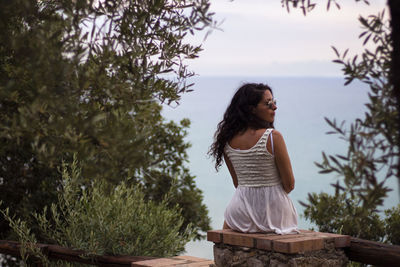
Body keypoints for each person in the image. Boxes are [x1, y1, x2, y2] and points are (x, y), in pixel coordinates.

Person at [209, 83, 299, 234]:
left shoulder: (226, 139)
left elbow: (238, 183)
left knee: (224, 247)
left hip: (240, 211)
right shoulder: (273, 137)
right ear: (252, 109)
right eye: (268, 103)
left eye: (274, 102)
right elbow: (289, 185)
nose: (274, 107)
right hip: (275, 214)